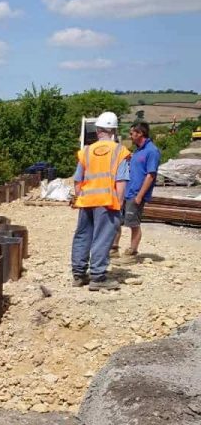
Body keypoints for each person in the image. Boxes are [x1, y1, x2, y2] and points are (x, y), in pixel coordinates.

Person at [70, 111, 130, 291]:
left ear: (98, 131)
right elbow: (120, 182)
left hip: (86, 200)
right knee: (102, 238)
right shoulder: (119, 151)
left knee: (82, 236)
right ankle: (98, 277)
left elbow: (77, 180)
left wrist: (80, 197)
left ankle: (79, 275)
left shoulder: (86, 151)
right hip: (107, 201)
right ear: (114, 131)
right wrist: (119, 206)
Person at [111, 121, 160, 260]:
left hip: (135, 194)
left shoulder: (152, 151)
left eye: (132, 133)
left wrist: (140, 196)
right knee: (117, 221)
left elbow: (150, 175)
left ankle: (133, 250)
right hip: (126, 192)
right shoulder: (138, 151)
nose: (130, 136)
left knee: (133, 224)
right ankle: (114, 248)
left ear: (140, 133)